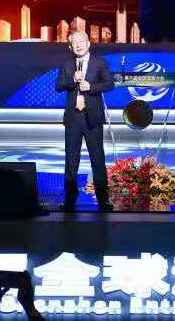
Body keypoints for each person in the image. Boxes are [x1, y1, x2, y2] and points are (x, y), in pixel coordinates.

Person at [55, 30, 115, 212]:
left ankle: (103, 201)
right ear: (70, 47)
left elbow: (110, 84)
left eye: (82, 41)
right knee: (71, 161)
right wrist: (73, 79)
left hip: (92, 118)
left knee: (97, 160)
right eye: (75, 42)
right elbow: (58, 86)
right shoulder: (67, 64)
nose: (79, 45)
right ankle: (70, 201)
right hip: (73, 118)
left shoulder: (100, 62)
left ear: (88, 43)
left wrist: (92, 87)